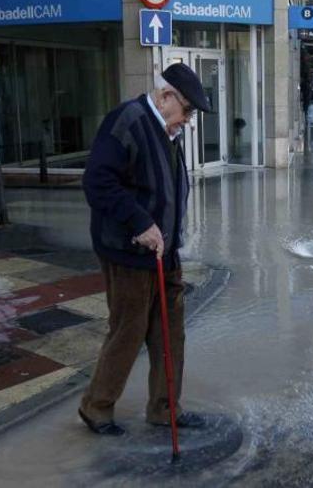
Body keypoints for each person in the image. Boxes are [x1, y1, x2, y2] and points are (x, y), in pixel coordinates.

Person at [79, 63, 211, 436]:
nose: (187, 120)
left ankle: (165, 408)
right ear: (167, 96)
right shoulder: (128, 121)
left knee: (170, 334)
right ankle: (97, 407)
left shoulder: (167, 132)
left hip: (164, 254)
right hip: (128, 255)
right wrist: (140, 224)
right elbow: (97, 182)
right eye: (187, 110)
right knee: (129, 330)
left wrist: (167, 236)